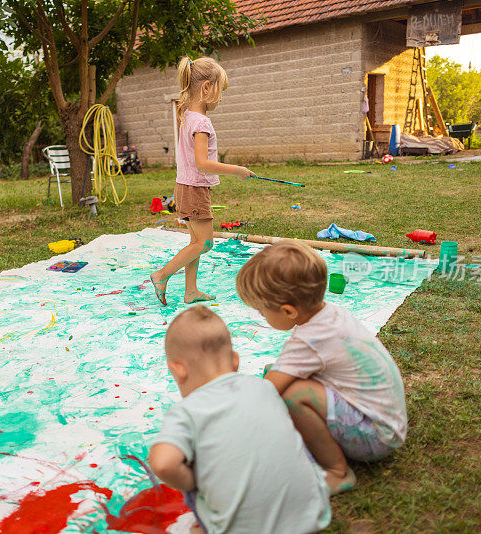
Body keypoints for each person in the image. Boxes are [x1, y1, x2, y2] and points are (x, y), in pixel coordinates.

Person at [236, 241, 408, 495]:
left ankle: (337, 472)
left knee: (293, 396)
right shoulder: (331, 314)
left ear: (288, 310)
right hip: (387, 421)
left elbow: (267, 391)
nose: (261, 317)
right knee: (280, 374)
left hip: (375, 437)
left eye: (262, 311)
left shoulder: (308, 340)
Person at [147, 305, 330, 534]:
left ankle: (205, 527)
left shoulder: (186, 411)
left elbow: (163, 463)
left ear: (178, 370)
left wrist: (190, 481)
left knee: (191, 464)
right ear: (235, 361)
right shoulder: (264, 387)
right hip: (312, 517)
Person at [150, 56, 254, 306]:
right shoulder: (202, 122)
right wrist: (238, 169)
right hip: (194, 189)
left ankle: (191, 291)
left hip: (185, 186)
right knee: (205, 243)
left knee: (195, 242)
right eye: (220, 91)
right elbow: (203, 163)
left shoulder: (187, 114)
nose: (220, 98)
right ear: (206, 88)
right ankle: (162, 275)